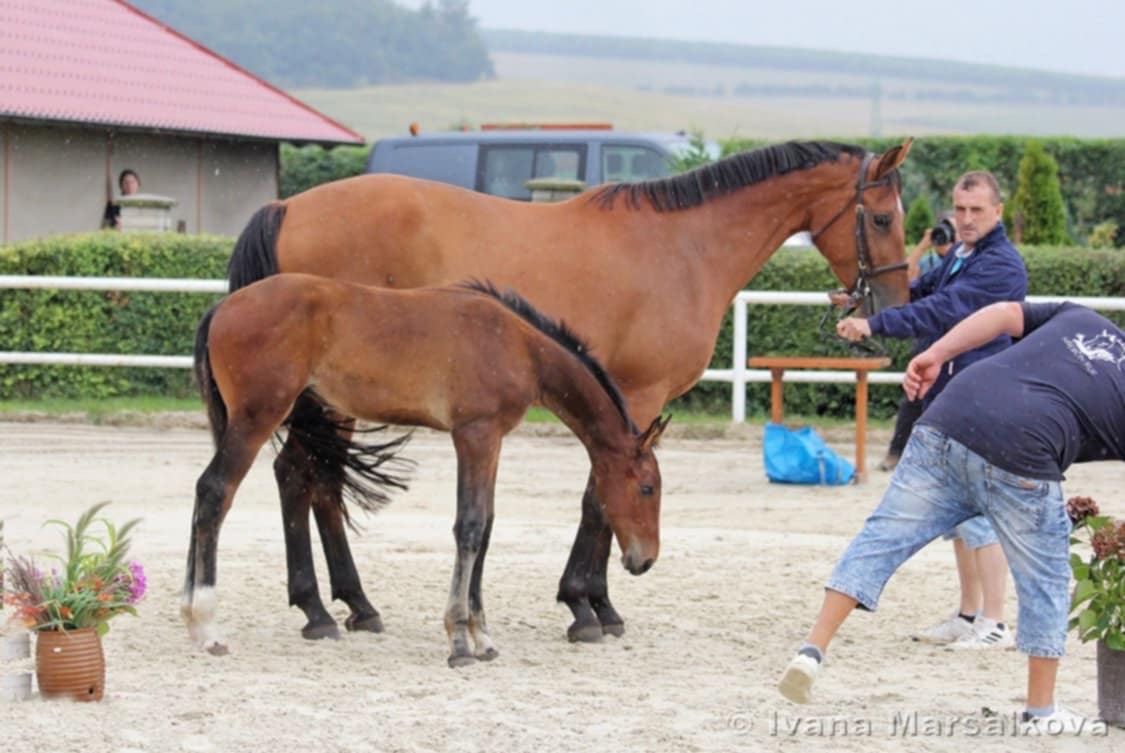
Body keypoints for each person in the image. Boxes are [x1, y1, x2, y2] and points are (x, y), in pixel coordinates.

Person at [778, 299, 1124, 733]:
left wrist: (936, 353)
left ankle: (812, 649)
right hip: (1025, 445)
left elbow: (1002, 314)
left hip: (950, 412)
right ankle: (1041, 712)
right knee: (1048, 578)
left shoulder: (1081, 317)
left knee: (880, 539)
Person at [836, 171, 1027, 650]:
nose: (965, 219)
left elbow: (944, 311)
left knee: (980, 511)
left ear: (997, 212)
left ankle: (995, 622)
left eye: (976, 210)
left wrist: (874, 326)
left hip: (984, 396)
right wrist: (865, 306)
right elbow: (921, 294)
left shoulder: (1000, 265)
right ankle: (969, 614)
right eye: (960, 209)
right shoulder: (962, 255)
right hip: (953, 394)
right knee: (960, 513)